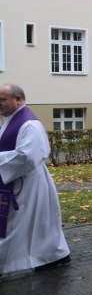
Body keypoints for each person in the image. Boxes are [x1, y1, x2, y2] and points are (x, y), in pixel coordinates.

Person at [0, 83, 71, 273]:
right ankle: (53, 255)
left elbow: (27, 156)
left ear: (18, 99)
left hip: (28, 183)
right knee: (36, 222)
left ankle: (51, 255)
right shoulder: (11, 119)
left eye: (2, 100)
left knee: (25, 222)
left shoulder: (29, 123)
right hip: (16, 179)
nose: (0, 104)